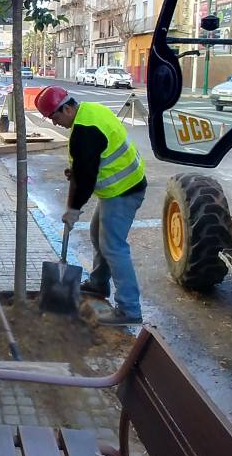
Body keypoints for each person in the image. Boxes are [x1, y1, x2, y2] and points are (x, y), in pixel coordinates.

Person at [34, 85, 147, 326]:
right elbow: (89, 162)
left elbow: (85, 181)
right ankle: (98, 284)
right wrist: (77, 170)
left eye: (54, 117)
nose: (54, 123)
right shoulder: (91, 111)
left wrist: (73, 210)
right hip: (122, 186)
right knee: (97, 235)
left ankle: (130, 308)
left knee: (113, 247)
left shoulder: (84, 131)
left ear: (66, 108)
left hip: (123, 191)